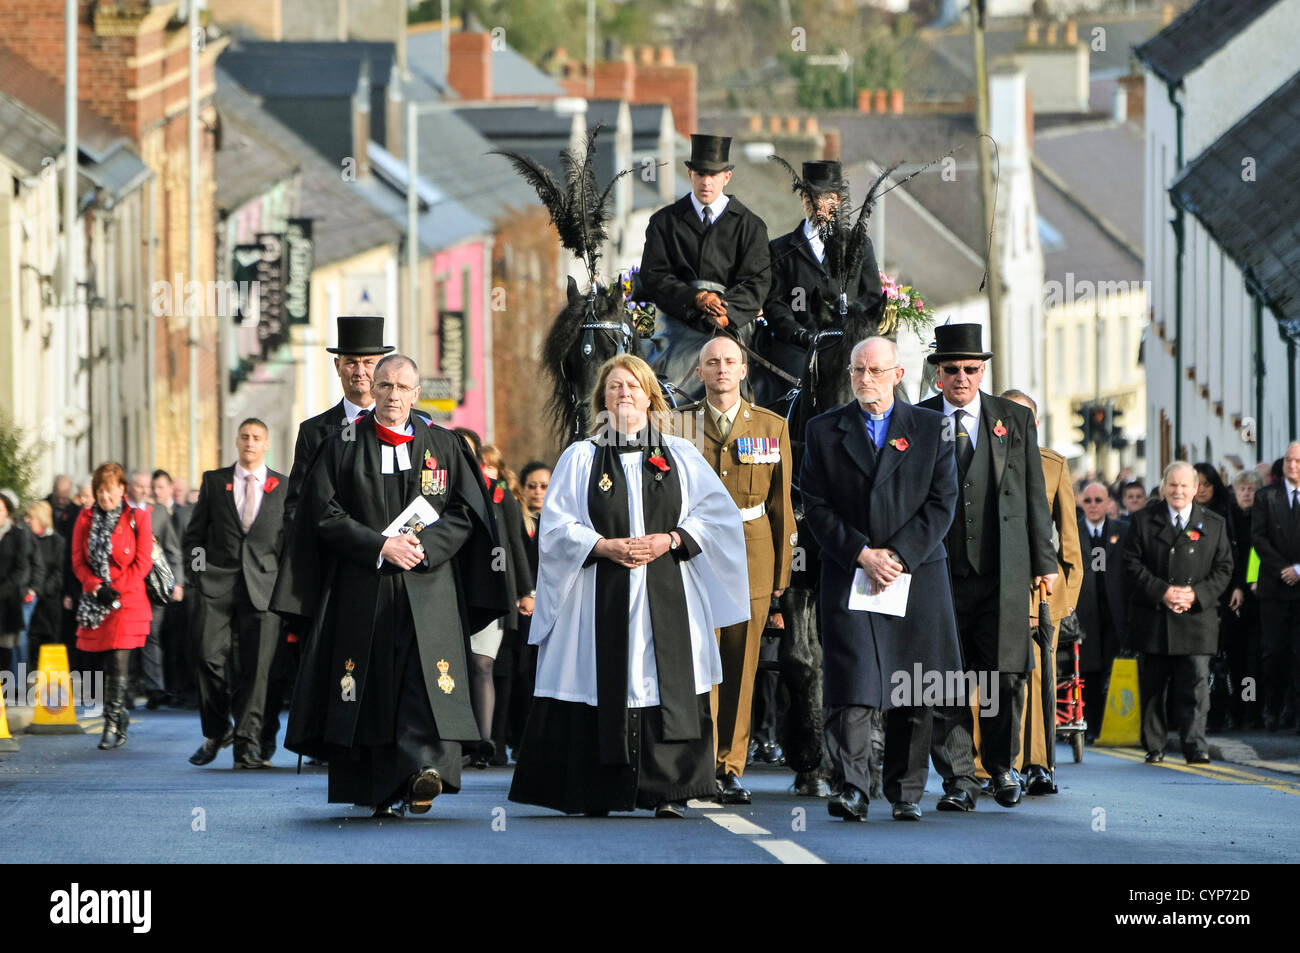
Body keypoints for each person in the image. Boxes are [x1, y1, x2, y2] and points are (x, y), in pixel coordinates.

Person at [509, 354, 749, 818]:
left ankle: (669, 791)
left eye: (633, 387)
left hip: (668, 588)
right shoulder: (580, 457)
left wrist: (671, 538)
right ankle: (596, 789)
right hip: (598, 592)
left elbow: (717, 515)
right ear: (602, 399)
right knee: (598, 679)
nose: (624, 395)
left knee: (667, 681)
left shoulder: (679, 454)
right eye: (615, 387)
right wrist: (602, 546)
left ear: (649, 396)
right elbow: (556, 529)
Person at [273, 354, 508, 817]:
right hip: (364, 585)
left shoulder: (443, 444)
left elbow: (468, 511)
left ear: (417, 393)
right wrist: (380, 546)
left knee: (426, 677)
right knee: (370, 684)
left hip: (429, 584)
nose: (393, 395)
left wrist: (422, 545)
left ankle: (425, 771)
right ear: (373, 391)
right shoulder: (342, 446)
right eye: (385, 386)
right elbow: (322, 512)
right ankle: (377, 787)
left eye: (403, 387)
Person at [801, 336, 963, 821]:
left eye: (874, 371)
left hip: (913, 576)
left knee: (912, 687)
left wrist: (898, 555)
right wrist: (861, 554)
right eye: (857, 371)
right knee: (852, 684)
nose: (864, 380)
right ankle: (851, 787)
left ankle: (905, 792)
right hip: (852, 573)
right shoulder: (824, 429)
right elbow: (816, 504)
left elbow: (942, 503)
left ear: (898, 374)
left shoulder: (932, 429)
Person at [916, 323, 1057, 809]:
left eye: (971, 369)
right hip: (937, 571)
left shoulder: (1013, 419)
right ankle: (957, 779)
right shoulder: (916, 420)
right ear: (938, 373)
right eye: (951, 368)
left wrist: (1044, 561)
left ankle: (1000, 768)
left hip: (1003, 572)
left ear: (983, 371)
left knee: (1004, 674)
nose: (961, 377)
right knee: (946, 675)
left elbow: (1036, 494)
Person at [671, 335, 794, 804]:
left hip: (751, 557)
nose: (721, 369)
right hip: (694, 553)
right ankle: (694, 761)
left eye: (730, 362)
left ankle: (728, 765)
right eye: (711, 363)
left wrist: (781, 579)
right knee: (696, 661)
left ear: (744, 371)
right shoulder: (677, 426)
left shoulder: (771, 426)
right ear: (698, 373)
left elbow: (781, 507)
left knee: (741, 666)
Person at [266, 315, 395, 763]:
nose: (360, 371)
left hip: (394, 563)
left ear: (382, 369)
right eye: (351, 363)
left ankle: (388, 741)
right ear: (337, 368)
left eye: (368, 362)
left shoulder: (413, 424)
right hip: (338, 566)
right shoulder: (314, 431)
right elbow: (297, 504)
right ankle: (334, 739)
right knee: (333, 658)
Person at [989, 389, 1083, 796]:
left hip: (1041, 596)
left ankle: (1038, 765)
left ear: (1036, 424)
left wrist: (1060, 603)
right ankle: (987, 766)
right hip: (992, 589)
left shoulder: (1052, 467)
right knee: (990, 678)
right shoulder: (981, 457)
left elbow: (1070, 546)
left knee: (1037, 675)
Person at [182, 419, 287, 769]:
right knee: (206, 656)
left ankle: (246, 746)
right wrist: (196, 577)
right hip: (217, 586)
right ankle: (218, 727)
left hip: (265, 589)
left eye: (257, 438)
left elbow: (291, 546)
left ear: (267, 444)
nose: (250, 443)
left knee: (257, 671)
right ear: (237, 441)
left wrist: (288, 591)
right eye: (245, 437)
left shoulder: (284, 487)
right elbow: (194, 536)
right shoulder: (215, 482)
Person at [639, 134, 771, 401]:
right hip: (678, 321)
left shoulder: (750, 225)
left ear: (727, 177)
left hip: (731, 324)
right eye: (700, 174)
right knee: (662, 383)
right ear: (689, 174)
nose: (706, 181)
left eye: (713, 174)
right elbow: (654, 276)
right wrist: (696, 299)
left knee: (733, 370)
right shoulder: (664, 222)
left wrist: (727, 313)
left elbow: (757, 282)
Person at [1126, 461, 1233, 763]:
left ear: (1196, 489)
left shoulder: (1214, 524)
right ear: (1163, 487)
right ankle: (1155, 745)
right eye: (1172, 485)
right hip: (1155, 617)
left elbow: (1225, 568)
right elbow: (1132, 564)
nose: (1178, 491)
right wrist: (1163, 592)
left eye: (1185, 485)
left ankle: (1194, 744)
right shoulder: (1143, 521)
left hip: (1197, 618)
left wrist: (1195, 594)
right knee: (1154, 688)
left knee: (1196, 686)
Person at [758, 160, 883, 408]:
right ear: (803, 200)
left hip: (849, 345)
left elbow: (871, 296)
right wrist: (800, 334)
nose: (817, 206)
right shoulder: (780, 249)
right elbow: (775, 303)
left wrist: (851, 330)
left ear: (836, 201)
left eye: (824, 198)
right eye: (810, 198)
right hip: (799, 348)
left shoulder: (860, 245)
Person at [70, 462, 154, 749]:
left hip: (128, 601)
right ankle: (120, 715)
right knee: (100, 665)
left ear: (122, 489)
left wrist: (115, 590)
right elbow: (78, 562)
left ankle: (111, 723)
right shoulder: (84, 518)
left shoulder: (138, 518)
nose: (104, 497)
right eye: (99, 492)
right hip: (96, 601)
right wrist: (96, 587)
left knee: (119, 663)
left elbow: (143, 562)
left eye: (109, 491)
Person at [473, 443, 534, 769]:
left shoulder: (502, 496)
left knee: (484, 665)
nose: (485, 471)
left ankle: (485, 741)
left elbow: (515, 544)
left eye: (490, 466)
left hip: (495, 592)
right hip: (459, 591)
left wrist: (525, 590)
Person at [1249, 442, 1300, 733]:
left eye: (1298, 461)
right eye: (1289, 460)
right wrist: (1283, 568)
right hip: (1275, 588)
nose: (1292, 465)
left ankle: (1295, 711)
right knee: (1273, 653)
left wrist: (1298, 570)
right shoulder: (1266, 496)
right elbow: (1259, 537)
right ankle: (1272, 707)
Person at [1076, 481, 1130, 741]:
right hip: (1085, 613)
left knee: (1115, 666)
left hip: (1114, 611)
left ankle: (1117, 724)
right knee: (1088, 671)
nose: (1094, 505)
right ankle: (1091, 725)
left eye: (1099, 500)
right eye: (1088, 501)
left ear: (1109, 503)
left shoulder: (1122, 530)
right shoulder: (1072, 531)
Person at [1192, 463, 1244, 730]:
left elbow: (1237, 554)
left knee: (1227, 657)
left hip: (1224, 593)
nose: (1201, 490)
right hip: (1195, 592)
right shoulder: (1187, 513)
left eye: (1207, 484)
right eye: (1196, 484)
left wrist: (1239, 586)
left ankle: (1230, 711)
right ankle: (1204, 716)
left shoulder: (1228, 512)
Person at [126, 470, 181, 710]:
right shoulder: (119, 510)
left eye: (147, 486)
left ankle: (154, 688)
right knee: (126, 638)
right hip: (126, 585)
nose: (145, 491)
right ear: (129, 486)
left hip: (153, 586)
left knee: (152, 635)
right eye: (139, 486)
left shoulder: (157, 512)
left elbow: (173, 549)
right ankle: (124, 689)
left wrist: (177, 581)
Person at [152, 470, 193, 708]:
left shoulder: (184, 513)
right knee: (156, 638)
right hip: (155, 585)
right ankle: (160, 688)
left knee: (178, 639)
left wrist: (189, 578)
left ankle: (180, 689)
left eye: (161, 487)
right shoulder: (148, 513)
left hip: (181, 585)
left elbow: (194, 548)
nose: (157, 492)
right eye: (154, 487)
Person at [1227, 470, 1262, 729]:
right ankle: (1238, 710)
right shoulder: (1228, 519)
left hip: (1259, 595)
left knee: (1255, 659)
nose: (1247, 494)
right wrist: (1238, 585)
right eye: (1243, 489)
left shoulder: (1263, 518)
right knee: (1236, 658)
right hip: (1233, 596)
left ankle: (1252, 711)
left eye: (1251, 489)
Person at [23, 501, 66, 661]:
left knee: (47, 646)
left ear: (41, 518)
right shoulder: (24, 539)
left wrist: (40, 590)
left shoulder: (57, 542)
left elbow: (59, 573)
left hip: (48, 602)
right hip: (27, 598)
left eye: (31, 517)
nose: (27, 520)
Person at [0, 490, 34, 676]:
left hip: (7, 600)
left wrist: (4, 590)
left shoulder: (17, 535)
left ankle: (3, 695)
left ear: (7, 512)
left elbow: (20, 568)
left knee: (5, 649)